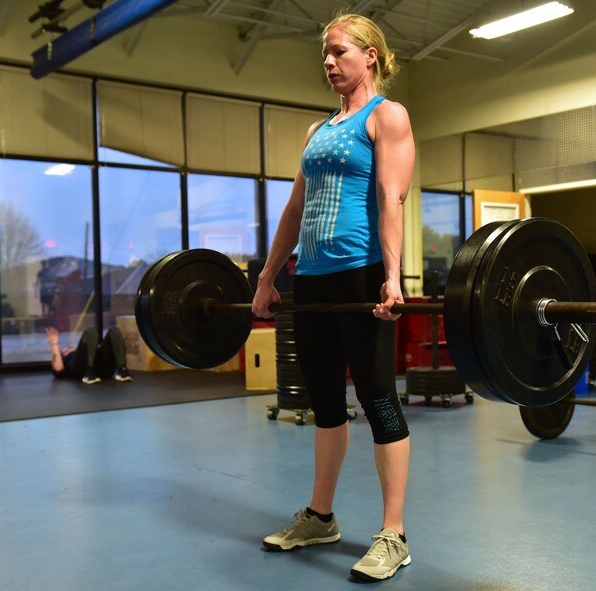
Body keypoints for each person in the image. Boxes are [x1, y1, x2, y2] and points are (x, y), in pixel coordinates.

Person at [251, 13, 415, 582]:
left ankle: (394, 534)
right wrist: (268, 277)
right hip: (314, 280)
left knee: (378, 398)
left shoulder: (387, 116)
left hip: (361, 276)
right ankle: (320, 516)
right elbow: (295, 209)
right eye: (324, 52)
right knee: (323, 400)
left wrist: (393, 277)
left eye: (339, 51)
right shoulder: (317, 132)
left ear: (370, 55)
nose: (328, 61)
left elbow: (392, 198)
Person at [45, 326, 132, 384]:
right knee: (90, 331)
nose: (68, 348)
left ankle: (122, 370)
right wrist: (54, 344)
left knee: (114, 330)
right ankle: (89, 371)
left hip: (102, 368)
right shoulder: (66, 357)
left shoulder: (82, 350)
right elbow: (58, 369)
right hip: (81, 370)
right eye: (65, 349)